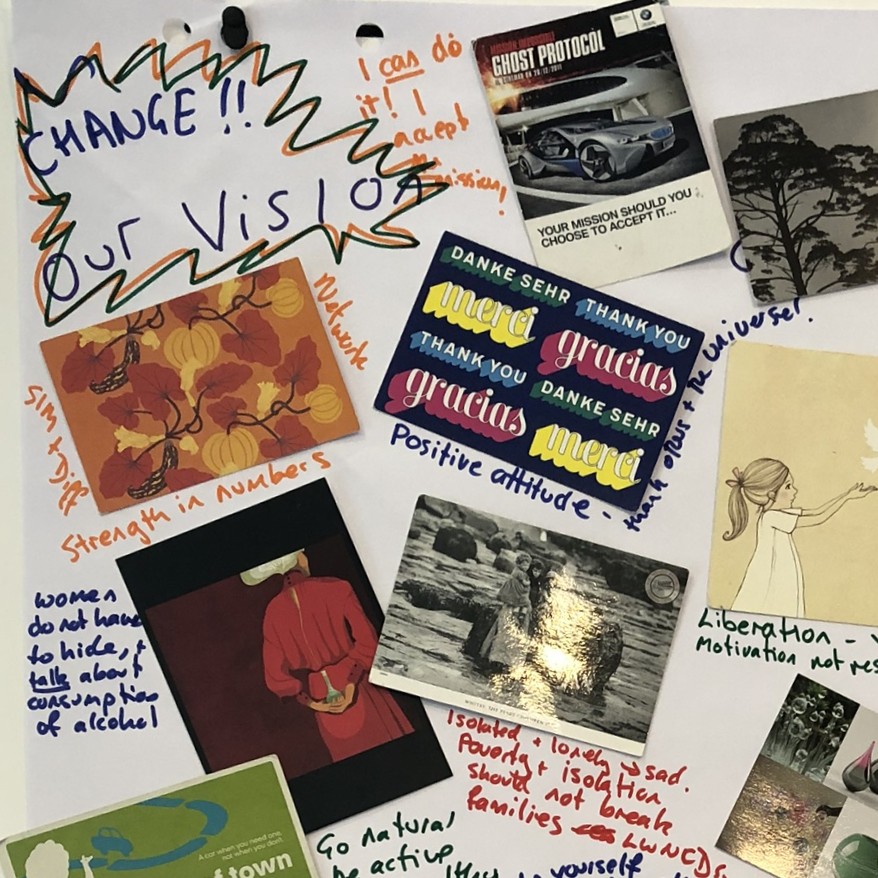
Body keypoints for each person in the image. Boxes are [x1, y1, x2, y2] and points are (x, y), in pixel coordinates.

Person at [242, 550, 413, 763]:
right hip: (358, 683)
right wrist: (350, 684)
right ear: (301, 559)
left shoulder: (273, 613)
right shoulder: (337, 588)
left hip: (322, 699)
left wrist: (313, 703)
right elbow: (369, 642)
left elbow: (275, 677)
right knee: (399, 755)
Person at [723, 458, 875, 617]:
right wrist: (847, 498)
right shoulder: (771, 518)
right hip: (773, 577)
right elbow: (818, 518)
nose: (794, 491)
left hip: (780, 573)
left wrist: (847, 495)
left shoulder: (779, 513)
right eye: (788, 486)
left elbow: (816, 511)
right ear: (771, 494)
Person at [477, 551, 533, 670]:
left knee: (512, 633)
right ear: (519, 564)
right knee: (505, 632)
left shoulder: (519, 576)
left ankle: (505, 659)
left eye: (527, 564)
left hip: (517, 608)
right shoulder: (516, 578)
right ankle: (498, 658)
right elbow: (513, 593)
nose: (526, 566)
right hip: (512, 608)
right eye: (524, 564)